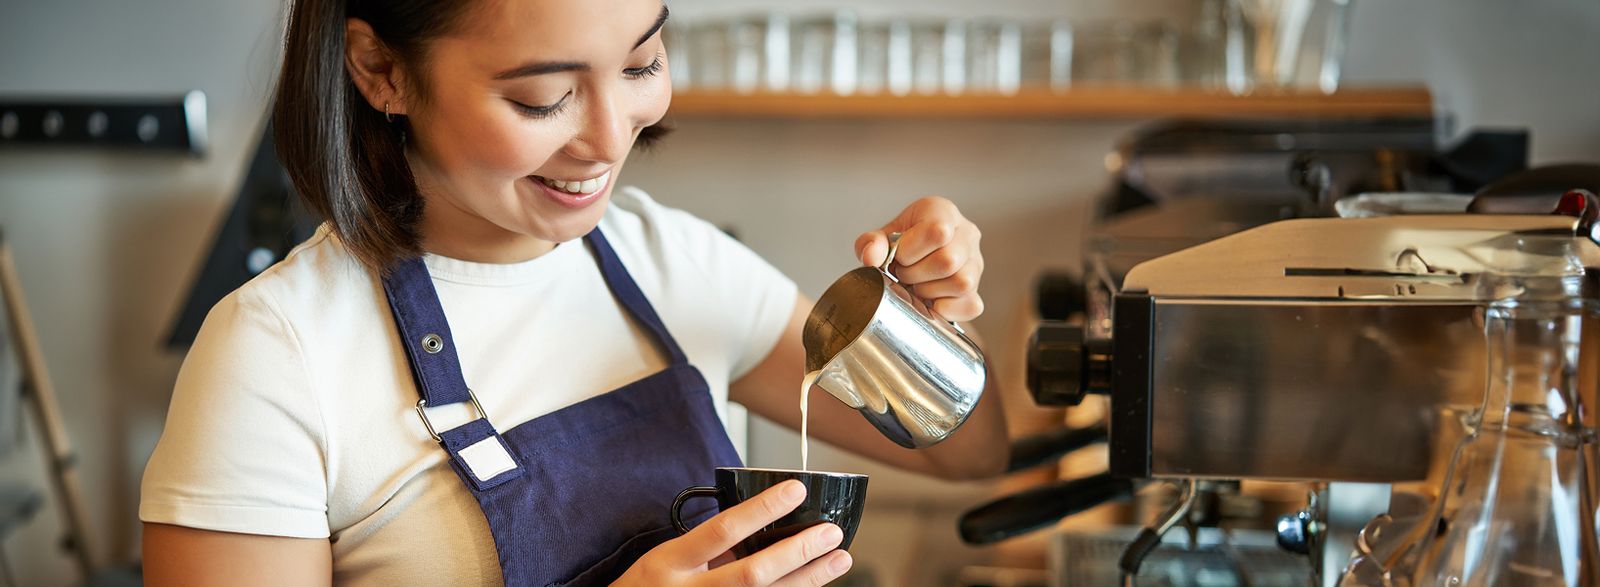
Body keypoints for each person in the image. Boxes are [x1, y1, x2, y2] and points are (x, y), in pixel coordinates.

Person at [138, 0, 1009, 585]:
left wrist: (924, 318)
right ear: (379, 70)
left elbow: (967, 455)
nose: (607, 140)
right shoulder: (277, 352)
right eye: (545, 96)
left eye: (641, 65)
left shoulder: (670, 259)